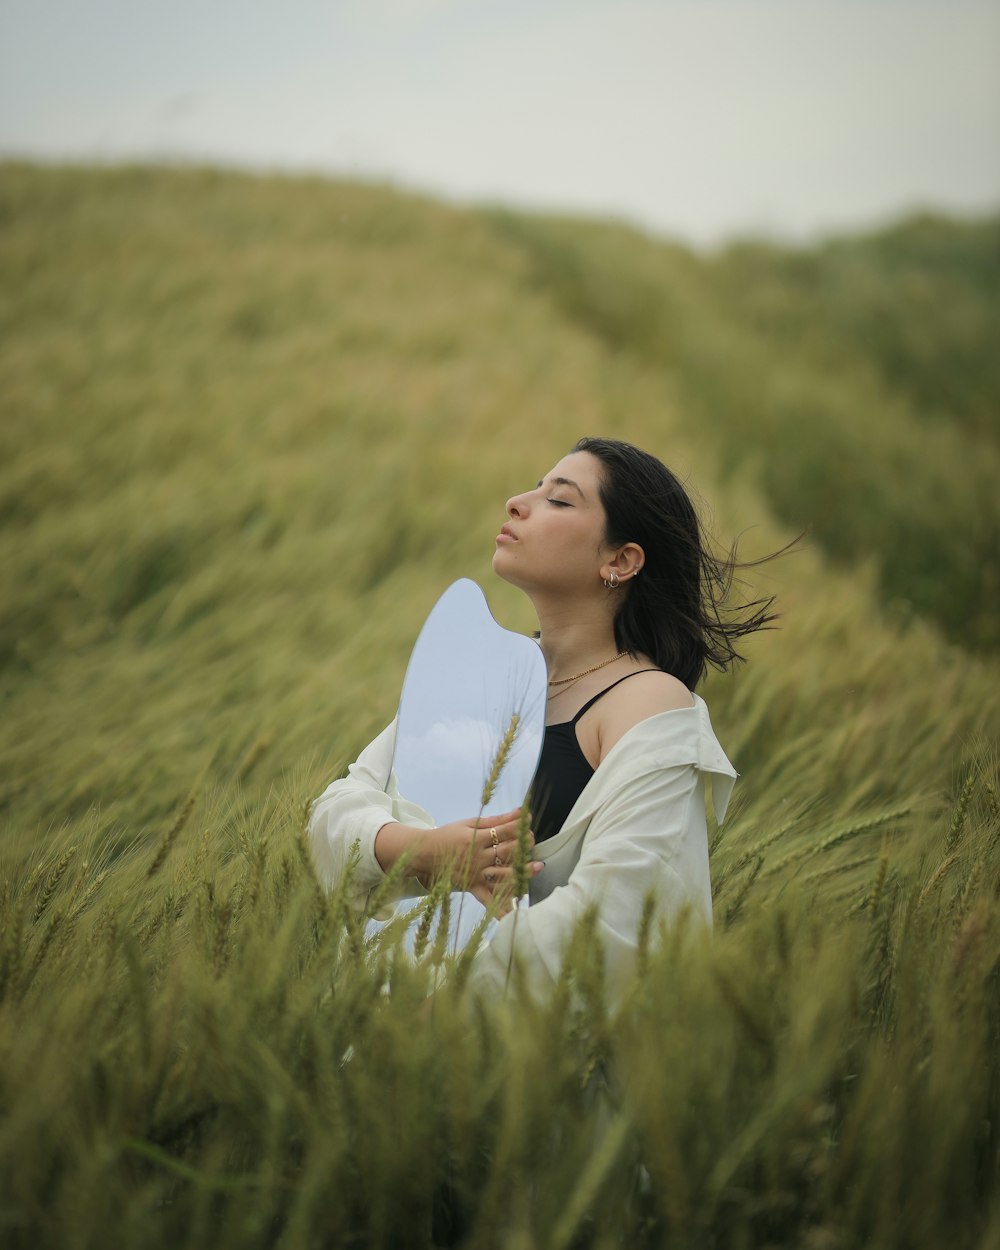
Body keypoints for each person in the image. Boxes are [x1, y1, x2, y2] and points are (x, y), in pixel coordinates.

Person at [309, 437, 776, 998]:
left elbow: (618, 923)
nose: (516, 502)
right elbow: (331, 816)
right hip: (377, 1036)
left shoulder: (647, 702)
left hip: (508, 1054)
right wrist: (423, 852)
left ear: (620, 560)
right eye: (534, 488)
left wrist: (430, 1000)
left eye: (559, 500)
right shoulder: (476, 673)